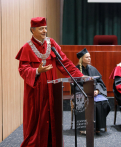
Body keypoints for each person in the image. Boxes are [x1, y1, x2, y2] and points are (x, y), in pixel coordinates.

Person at [15, 17, 83, 147]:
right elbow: (23, 70)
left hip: (52, 90)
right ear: (32, 30)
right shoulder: (26, 47)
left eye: (45, 28)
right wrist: (37, 71)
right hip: (35, 93)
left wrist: (80, 76)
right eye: (41, 28)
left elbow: (64, 62)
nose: (44, 31)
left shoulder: (51, 43)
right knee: (36, 122)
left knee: (53, 119)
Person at [74, 48, 111, 134]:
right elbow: (75, 86)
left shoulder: (93, 69)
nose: (89, 59)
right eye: (87, 57)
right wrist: (88, 92)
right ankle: (84, 127)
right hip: (82, 94)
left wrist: (97, 90)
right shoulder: (76, 70)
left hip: (95, 94)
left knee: (103, 103)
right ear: (81, 59)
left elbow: (101, 83)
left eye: (89, 57)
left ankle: (98, 126)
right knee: (89, 103)